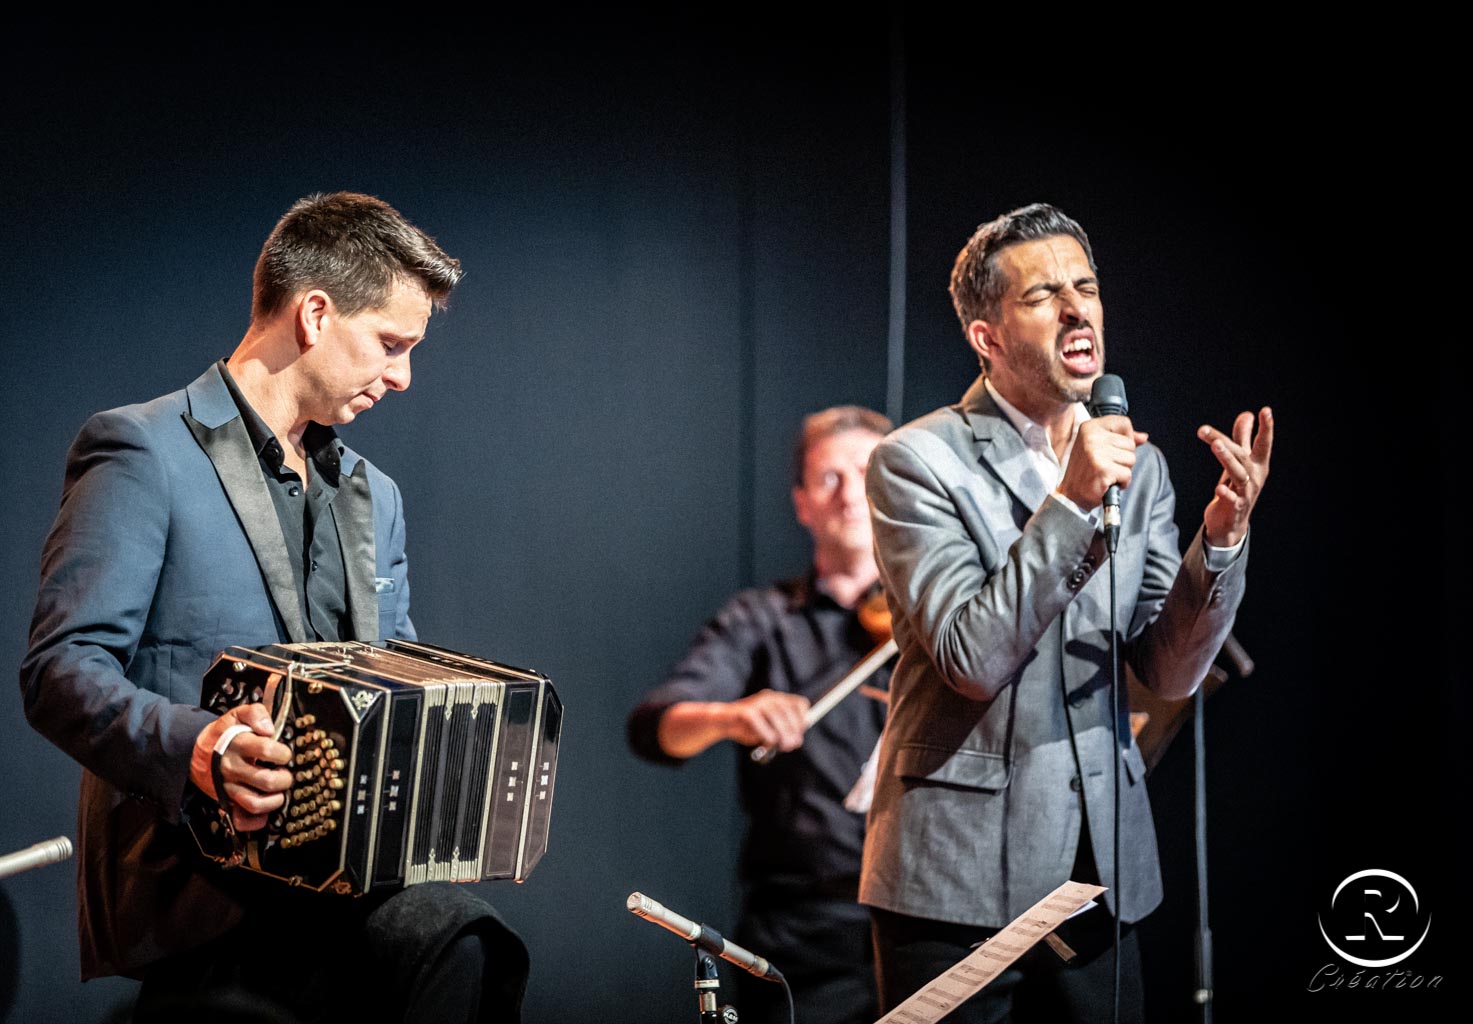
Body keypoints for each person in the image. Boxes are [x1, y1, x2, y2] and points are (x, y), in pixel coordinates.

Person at [20, 192, 527, 1023]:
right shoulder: (142, 449)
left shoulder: (375, 494)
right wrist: (198, 746)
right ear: (316, 313)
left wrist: (438, 798)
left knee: (465, 948)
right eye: (391, 344)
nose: (402, 376)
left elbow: (393, 680)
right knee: (455, 945)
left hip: (343, 884)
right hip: (204, 880)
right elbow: (58, 672)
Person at [860, 203, 1273, 1022]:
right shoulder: (915, 461)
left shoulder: (1140, 466)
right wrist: (1072, 500)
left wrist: (1218, 545)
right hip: (953, 880)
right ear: (987, 337)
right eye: (1043, 294)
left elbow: (1166, 669)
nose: (1078, 309)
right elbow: (970, 660)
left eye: (1085, 287)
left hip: (1102, 868)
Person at [627, 406, 894, 1024]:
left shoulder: (944, 618)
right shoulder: (762, 618)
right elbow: (656, 726)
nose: (850, 494)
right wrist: (730, 716)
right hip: (809, 929)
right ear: (801, 503)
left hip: (936, 919)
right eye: (829, 478)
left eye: (868, 472)